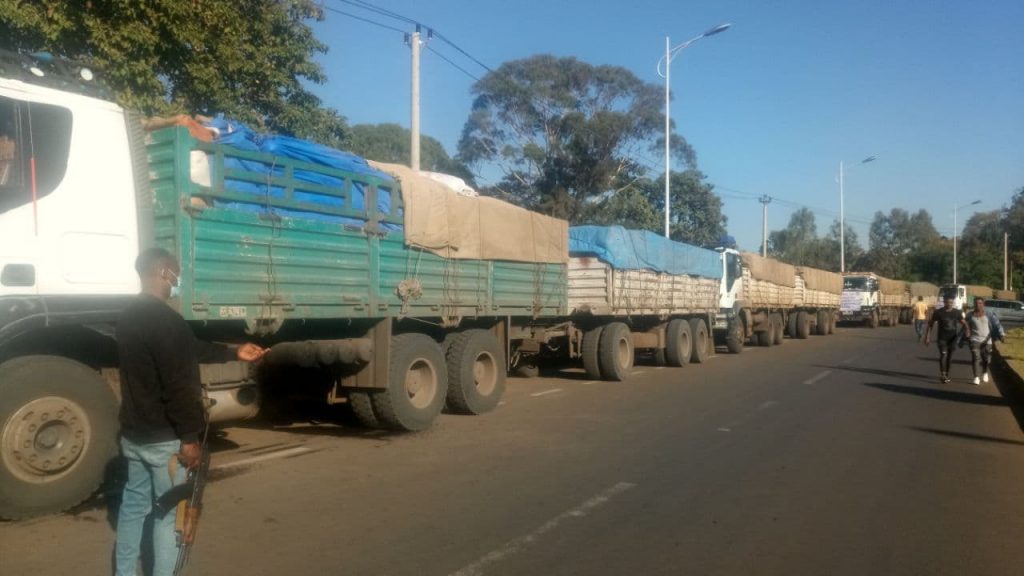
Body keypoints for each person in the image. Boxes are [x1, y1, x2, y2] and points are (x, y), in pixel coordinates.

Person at [115, 247, 267, 576]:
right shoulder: (168, 322)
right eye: (176, 273)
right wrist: (189, 439)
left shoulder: (127, 316)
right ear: (164, 272)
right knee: (171, 514)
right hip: (165, 441)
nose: (177, 280)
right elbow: (179, 388)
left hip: (134, 435)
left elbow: (188, 349)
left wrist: (233, 352)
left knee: (133, 506)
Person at [924, 296, 969, 384]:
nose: (949, 304)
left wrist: (967, 330)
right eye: (947, 302)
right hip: (942, 338)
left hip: (952, 339)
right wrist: (927, 336)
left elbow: (964, 323)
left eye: (951, 302)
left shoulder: (957, 312)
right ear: (944, 302)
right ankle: (943, 374)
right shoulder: (938, 312)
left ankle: (947, 374)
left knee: (950, 357)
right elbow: (930, 324)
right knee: (943, 355)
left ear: (953, 303)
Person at [966, 297, 1006, 386]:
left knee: (986, 359)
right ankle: (976, 377)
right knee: (976, 357)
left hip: (987, 340)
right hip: (975, 339)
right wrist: (966, 333)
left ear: (983, 304)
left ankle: (985, 372)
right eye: (976, 303)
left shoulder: (989, 314)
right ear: (974, 304)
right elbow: (965, 326)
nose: (978, 305)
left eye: (980, 303)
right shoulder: (970, 315)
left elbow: (997, 324)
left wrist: (1001, 334)